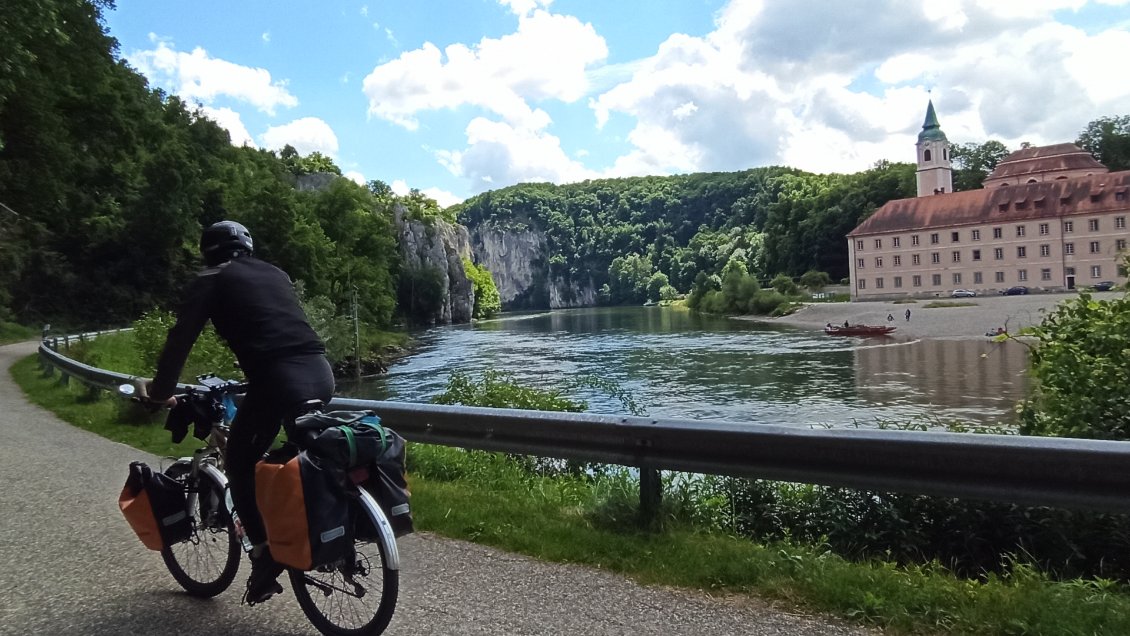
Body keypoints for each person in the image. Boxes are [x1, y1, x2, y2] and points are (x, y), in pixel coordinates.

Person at [143, 220, 334, 605]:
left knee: (241, 462)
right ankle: (311, 525)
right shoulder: (274, 273)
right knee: (297, 452)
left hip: (276, 378)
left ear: (208, 250)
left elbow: (180, 339)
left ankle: (264, 558)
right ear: (246, 246)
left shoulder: (212, 278)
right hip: (320, 373)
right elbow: (273, 325)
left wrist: (159, 392)